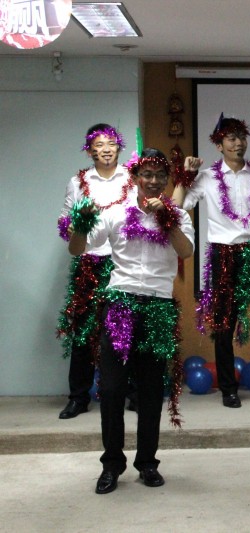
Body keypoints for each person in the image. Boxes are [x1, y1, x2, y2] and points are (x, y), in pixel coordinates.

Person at [67, 148, 194, 494]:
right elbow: (77, 249)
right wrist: (81, 222)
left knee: (151, 392)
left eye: (160, 176)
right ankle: (111, 464)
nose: (153, 181)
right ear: (136, 178)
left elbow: (185, 251)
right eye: (147, 175)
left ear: (167, 180)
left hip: (158, 307)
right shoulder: (116, 213)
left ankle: (147, 463)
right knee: (111, 389)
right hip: (120, 304)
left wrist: (167, 219)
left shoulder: (179, 216)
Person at [173, 115, 250, 409]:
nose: (238, 143)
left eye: (242, 137)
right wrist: (185, 175)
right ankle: (228, 389)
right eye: (231, 138)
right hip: (225, 254)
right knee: (224, 325)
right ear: (219, 145)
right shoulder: (206, 177)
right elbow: (177, 205)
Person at [56, 123, 135, 419]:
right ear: (89, 150)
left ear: (119, 147)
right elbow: (65, 219)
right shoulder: (78, 182)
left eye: (111, 143)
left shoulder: (131, 178)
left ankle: (133, 393)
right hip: (89, 262)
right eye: (99, 145)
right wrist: (73, 226)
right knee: (84, 332)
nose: (106, 149)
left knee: (127, 330)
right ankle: (78, 397)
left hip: (123, 262)